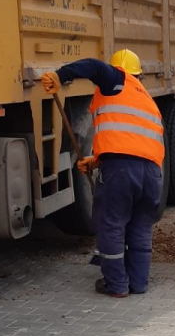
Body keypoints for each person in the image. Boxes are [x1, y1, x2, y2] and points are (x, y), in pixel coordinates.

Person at [41, 49, 164, 298]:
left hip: (121, 171)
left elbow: (94, 67)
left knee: (112, 224)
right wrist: (96, 161)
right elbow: (135, 141)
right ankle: (138, 284)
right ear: (139, 74)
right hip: (152, 174)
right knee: (140, 227)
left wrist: (60, 75)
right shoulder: (147, 100)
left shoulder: (117, 79)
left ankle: (116, 284)